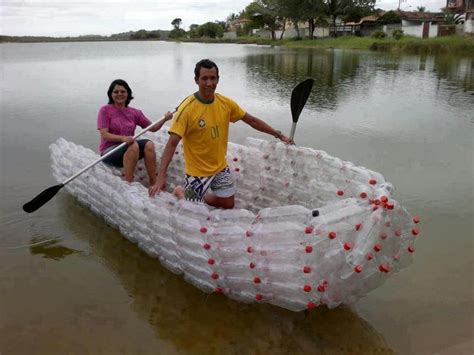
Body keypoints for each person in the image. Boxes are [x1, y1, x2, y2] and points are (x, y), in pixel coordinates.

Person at [150, 59, 292, 208]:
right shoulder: (186, 109)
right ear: (196, 80)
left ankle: (197, 196)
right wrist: (161, 176)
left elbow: (252, 121)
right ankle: (181, 192)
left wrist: (278, 134)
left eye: (213, 78)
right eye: (204, 78)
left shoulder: (225, 103)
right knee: (192, 211)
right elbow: (172, 143)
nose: (209, 83)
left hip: (219, 167)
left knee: (228, 203)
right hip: (197, 172)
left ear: (218, 79)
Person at [97, 79, 173, 196]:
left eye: (123, 91)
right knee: (133, 144)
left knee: (149, 144)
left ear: (128, 94)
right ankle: (128, 184)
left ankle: (153, 183)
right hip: (110, 151)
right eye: (116, 92)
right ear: (111, 94)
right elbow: (104, 134)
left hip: (128, 147)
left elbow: (152, 128)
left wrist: (164, 119)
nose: (119, 94)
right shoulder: (105, 110)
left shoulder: (135, 112)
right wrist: (122, 139)